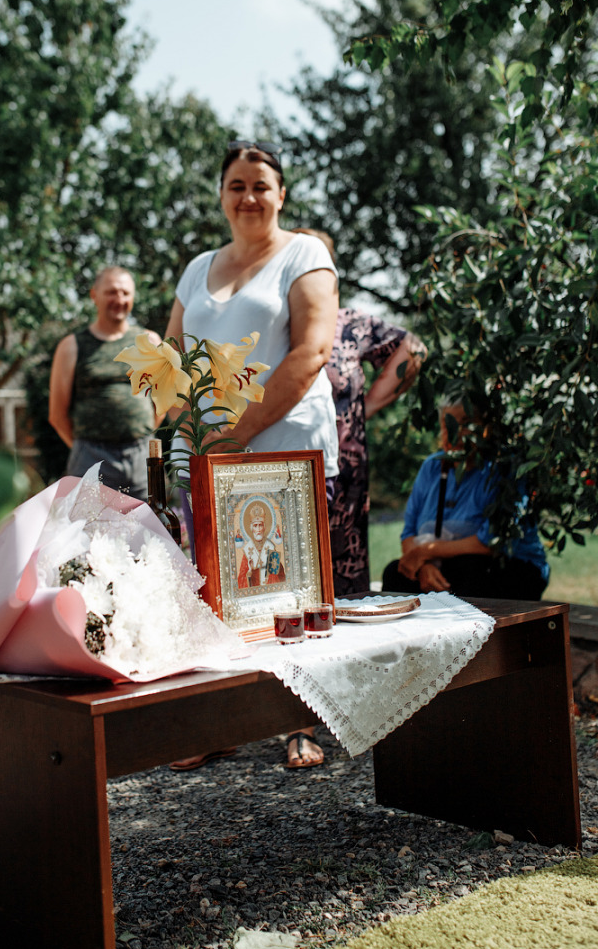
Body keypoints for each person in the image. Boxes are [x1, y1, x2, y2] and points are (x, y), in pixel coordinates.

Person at [165, 140, 339, 771]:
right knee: (213, 589)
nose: (249, 197)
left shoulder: (304, 254)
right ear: (221, 194)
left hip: (282, 444)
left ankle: (301, 724)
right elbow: (172, 355)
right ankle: (219, 722)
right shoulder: (197, 267)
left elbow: (311, 352)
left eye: (261, 185)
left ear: (281, 193)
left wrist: (235, 432)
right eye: (236, 185)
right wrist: (181, 430)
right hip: (207, 452)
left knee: (288, 588)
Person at [292, 230, 427, 597]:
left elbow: (412, 348)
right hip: (284, 471)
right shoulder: (273, 322)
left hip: (346, 482)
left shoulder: (350, 323)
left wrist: (364, 409)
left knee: (344, 592)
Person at [381, 401, 549, 599]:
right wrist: (423, 566)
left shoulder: (503, 468)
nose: (456, 432)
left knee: (469, 569)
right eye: (448, 424)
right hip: (446, 565)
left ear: (486, 429)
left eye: (466, 424)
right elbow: (409, 534)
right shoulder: (432, 467)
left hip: (512, 567)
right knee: (395, 573)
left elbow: (489, 544)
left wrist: (424, 552)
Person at [48, 266, 159, 500]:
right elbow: (57, 415)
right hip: (90, 456)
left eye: (125, 293)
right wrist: (86, 449)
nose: (119, 299)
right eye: (111, 292)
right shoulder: (71, 346)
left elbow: (164, 400)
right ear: (94, 295)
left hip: (141, 457)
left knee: (147, 531)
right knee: (87, 533)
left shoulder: (149, 341)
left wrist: (142, 431)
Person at [237, 501, 286, 588]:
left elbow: (281, 576)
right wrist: (249, 572)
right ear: (252, 529)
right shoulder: (247, 550)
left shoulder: (271, 547)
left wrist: (273, 572)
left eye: (260, 525)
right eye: (255, 526)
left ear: (264, 528)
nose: (258, 529)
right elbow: (241, 581)